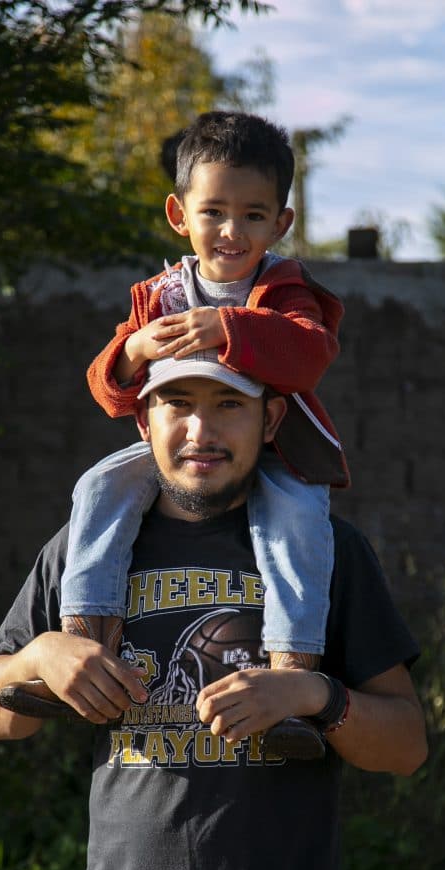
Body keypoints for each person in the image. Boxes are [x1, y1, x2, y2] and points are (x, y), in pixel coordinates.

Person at [0, 352, 428, 870]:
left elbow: (407, 746)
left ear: (271, 417)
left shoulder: (323, 550)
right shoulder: (87, 555)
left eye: (228, 405)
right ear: (143, 416)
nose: (199, 429)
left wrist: (311, 697)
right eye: (177, 402)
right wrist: (38, 656)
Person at [60, 110, 350, 677]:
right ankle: (84, 639)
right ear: (179, 214)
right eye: (213, 212)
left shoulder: (283, 288)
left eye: (253, 215)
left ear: (281, 223)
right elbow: (108, 390)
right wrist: (136, 349)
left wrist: (229, 328)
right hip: (182, 453)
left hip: (272, 454)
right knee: (98, 486)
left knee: (300, 526)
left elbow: (311, 354)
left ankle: (293, 666)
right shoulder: (160, 295)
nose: (232, 232)